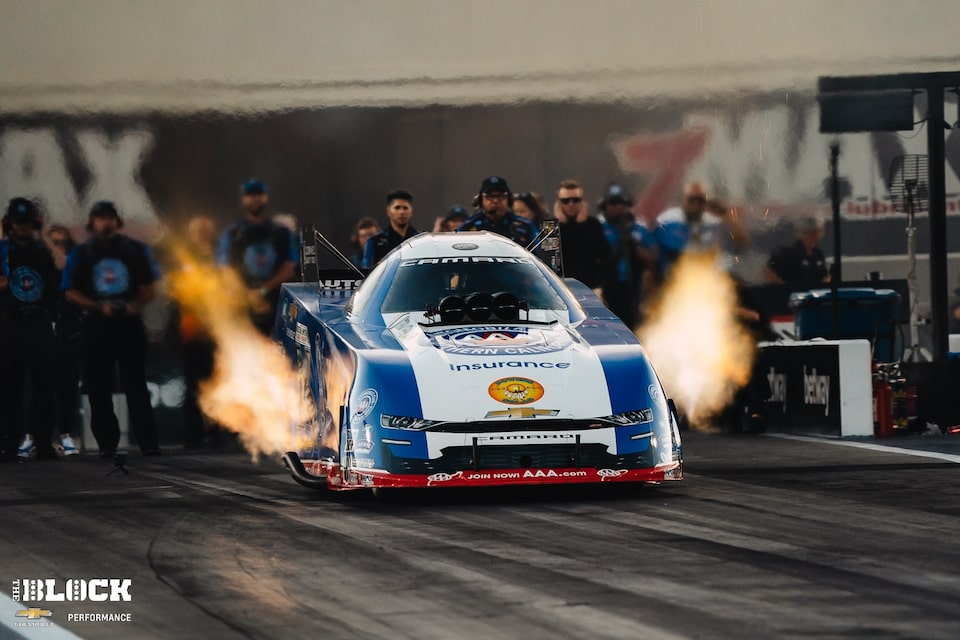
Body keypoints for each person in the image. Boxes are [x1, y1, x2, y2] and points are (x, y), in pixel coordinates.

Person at [62, 200, 162, 457]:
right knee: (98, 386)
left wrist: (133, 305)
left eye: (109, 217)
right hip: (96, 324)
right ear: (92, 223)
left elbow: (152, 286)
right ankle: (107, 444)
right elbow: (69, 291)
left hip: (128, 323)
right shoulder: (81, 254)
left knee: (136, 384)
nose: (105, 222)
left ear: (117, 222)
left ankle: (148, 442)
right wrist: (97, 307)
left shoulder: (135, 250)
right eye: (100, 218)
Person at [0, 198, 61, 461]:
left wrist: (45, 234)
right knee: (9, 387)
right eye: (18, 223)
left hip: (38, 322)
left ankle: (43, 442)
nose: (22, 227)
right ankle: (9, 444)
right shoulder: (3, 250)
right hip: (10, 323)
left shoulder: (41, 250)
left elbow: (62, 267)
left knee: (44, 385)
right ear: (10, 223)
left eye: (27, 222)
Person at [216, 178, 298, 334]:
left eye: (258, 194)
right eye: (250, 195)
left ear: (265, 197)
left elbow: (290, 267)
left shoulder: (280, 232)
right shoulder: (232, 234)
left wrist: (261, 291)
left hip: (278, 305)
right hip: (241, 306)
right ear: (243, 199)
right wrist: (248, 295)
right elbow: (224, 269)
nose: (255, 199)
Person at [179, 216, 224, 448]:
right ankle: (193, 432)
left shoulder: (221, 256)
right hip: (192, 329)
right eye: (198, 231)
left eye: (206, 231)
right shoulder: (183, 257)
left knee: (218, 378)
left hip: (217, 327)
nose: (202, 235)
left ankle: (217, 429)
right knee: (193, 382)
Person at [652, 181, 749, 282]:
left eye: (700, 200)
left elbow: (740, 243)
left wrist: (727, 215)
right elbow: (654, 253)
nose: (696, 204)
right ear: (684, 200)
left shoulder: (714, 224)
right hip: (676, 280)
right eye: (692, 200)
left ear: (705, 203)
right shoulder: (668, 221)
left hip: (708, 281)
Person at [46, 224, 82, 456]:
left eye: (65, 243)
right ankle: (38, 437)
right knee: (39, 389)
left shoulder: (77, 271)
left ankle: (66, 435)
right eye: (55, 243)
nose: (61, 248)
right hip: (40, 334)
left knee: (67, 388)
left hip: (69, 336)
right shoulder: (40, 270)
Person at [597, 184, 656, 330]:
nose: (617, 207)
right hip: (608, 291)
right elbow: (596, 260)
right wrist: (615, 250)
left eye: (621, 203)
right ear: (605, 206)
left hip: (635, 292)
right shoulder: (600, 229)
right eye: (613, 203)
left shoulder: (639, 230)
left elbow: (653, 260)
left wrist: (634, 249)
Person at [552, 179, 609, 289]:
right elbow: (550, 259)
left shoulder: (592, 224)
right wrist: (562, 226)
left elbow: (603, 254)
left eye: (575, 200)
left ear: (582, 201)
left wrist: (582, 225)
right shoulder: (551, 227)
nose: (571, 204)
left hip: (590, 286)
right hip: (562, 288)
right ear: (558, 203)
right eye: (566, 201)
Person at [457, 176, 537, 246]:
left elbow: (540, 256)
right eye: (490, 196)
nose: (495, 201)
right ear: (480, 200)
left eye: (501, 196)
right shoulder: (467, 227)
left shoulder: (525, 226)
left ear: (509, 200)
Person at [764, 216, 830, 288]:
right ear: (804, 233)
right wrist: (784, 288)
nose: (817, 237)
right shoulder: (788, 252)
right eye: (812, 233)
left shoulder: (818, 253)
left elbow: (824, 276)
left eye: (820, 232)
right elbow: (768, 272)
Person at [362, 189, 420, 268]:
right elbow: (366, 272)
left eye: (405, 208)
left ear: (411, 211)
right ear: (388, 211)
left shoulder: (420, 240)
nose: (401, 212)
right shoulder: (374, 242)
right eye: (397, 208)